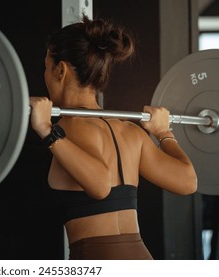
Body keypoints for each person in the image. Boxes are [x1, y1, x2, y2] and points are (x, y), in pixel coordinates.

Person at [29, 15, 198, 260]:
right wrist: (163, 132)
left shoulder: (70, 127)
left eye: (46, 67)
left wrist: (46, 130)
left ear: (61, 70)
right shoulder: (129, 132)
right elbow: (187, 181)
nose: (45, 75)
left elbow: (100, 186)